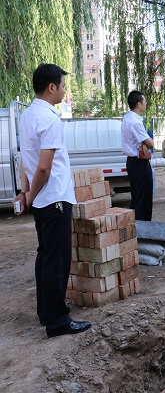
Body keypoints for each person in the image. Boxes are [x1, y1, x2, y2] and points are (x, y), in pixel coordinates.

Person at [15, 63, 91, 338]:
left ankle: (46, 313)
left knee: (46, 257)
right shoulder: (49, 118)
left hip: (42, 201)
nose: (64, 91)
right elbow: (44, 166)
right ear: (51, 87)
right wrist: (31, 194)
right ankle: (58, 321)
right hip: (54, 198)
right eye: (62, 86)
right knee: (57, 260)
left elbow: (25, 158)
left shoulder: (27, 115)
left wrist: (25, 191)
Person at [121, 90, 154, 221]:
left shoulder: (127, 118)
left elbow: (143, 142)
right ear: (139, 104)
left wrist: (144, 143)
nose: (146, 104)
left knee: (137, 197)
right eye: (144, 101)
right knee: (143, 199)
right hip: (139, 163)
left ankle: (136, 226)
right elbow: (150, 143)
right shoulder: (135, 122)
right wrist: (146, 143)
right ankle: (142, 227)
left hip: (133, 162)